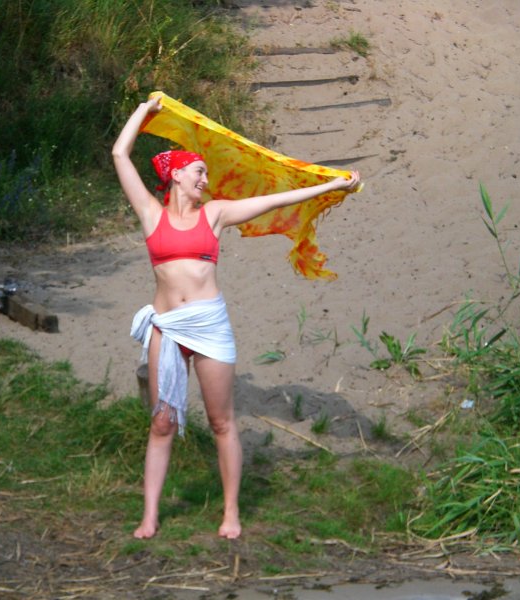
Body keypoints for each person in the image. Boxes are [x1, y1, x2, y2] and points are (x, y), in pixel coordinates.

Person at [112, 95, 360, 539]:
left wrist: (328, 186)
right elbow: (119, 153)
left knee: (221, 421)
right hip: (167, 327)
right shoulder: (151, 214)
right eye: (198, 171)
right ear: (176, 175)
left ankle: (230, 513)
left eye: (206, 173)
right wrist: (146, 110)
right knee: (162, 422)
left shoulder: (215, 214)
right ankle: (149, 516)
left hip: (209, 324)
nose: (205, 179)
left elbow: (274, 200)